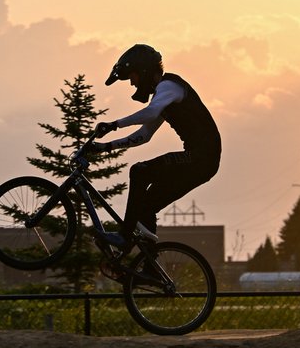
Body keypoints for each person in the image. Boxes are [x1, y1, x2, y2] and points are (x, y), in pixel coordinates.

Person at [90, 44, 222, 248]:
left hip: (201, 157)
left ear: (144, 71)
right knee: (145, 209)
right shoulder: (162, 97)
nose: (132, 84)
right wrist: (106, 147)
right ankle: (149, 266)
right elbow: (144, 135)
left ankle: (124, 236)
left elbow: (150, 113)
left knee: (140, 171)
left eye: (132, 77)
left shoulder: (169, 86)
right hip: (202, 162)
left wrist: (114, 125)